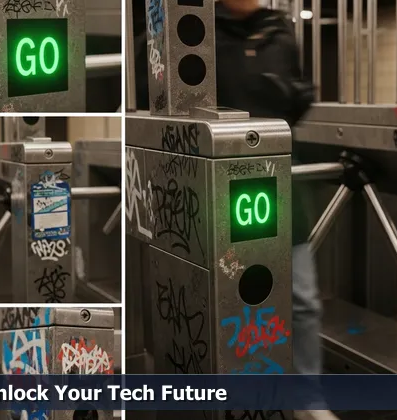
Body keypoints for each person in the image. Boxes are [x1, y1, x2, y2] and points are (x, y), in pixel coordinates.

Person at [133, 1, 335, 419]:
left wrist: (295, 96)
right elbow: (167, 92)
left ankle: (306, 399)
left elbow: (293, 98)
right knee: (222, 301)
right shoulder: (198, 27)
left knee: (301, 299)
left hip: (277, 184)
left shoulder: (279, 31)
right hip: (213, 192)